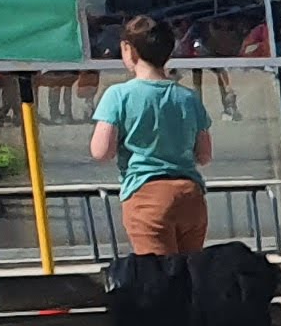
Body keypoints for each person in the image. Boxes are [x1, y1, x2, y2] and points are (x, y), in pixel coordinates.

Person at [89, 15, 211, 263]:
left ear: (129, 50)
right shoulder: (188, 97)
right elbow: (204, 155)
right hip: (190, 194)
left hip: (146, 194)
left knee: (158, 274)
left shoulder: (118, 95)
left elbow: (101, 151)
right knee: (191, 272)